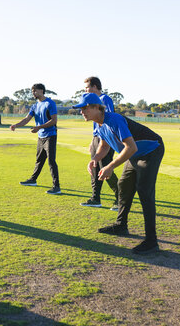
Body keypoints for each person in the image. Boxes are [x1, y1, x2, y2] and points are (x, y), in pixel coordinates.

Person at [73, 93, 164, 254]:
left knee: (144, 191)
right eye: (80, 109)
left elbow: (131, 147)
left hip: (151, 150)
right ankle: (121, 226)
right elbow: (104, 145)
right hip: (135, 154)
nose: (82, 112)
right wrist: (95, 159)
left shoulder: (113, 119)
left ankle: (152, 241)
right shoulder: (98, 124)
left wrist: (110, 166)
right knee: (124, 185)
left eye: (85, 108)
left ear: (96, 107)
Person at [10, 83, 60, 195]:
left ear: (41, 91)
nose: (33, 93)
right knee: (39, 160)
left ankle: (56, 187)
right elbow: (26, 119)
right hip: (40, 136)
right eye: (32, 91)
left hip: (50, 135)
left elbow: (54, 121)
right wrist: (15, 125)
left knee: (51, 161)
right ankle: (33, 180)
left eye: (35, 90)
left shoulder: (50, 103)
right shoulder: (34, 106)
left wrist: (39, 127)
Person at [80, 77, 119, 210]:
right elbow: (96, 123)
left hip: (106, 138)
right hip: (97, 138)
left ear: (95, 86)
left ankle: (120, 197)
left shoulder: (104, 99)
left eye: (87, 87)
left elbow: (107, 119)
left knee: (105, 167)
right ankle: (95, 198)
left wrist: (104, 138)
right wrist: (93, 140)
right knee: (95, 168)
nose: (85, 90)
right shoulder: (90, 102)